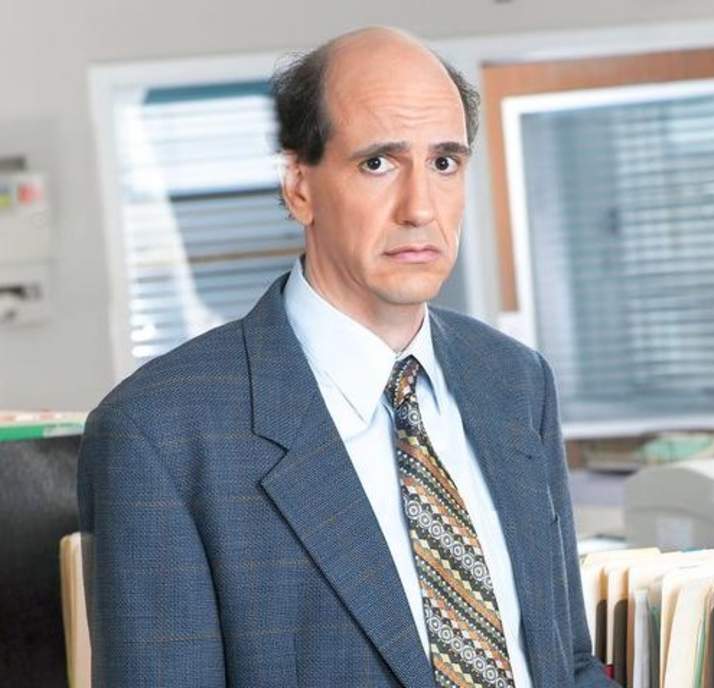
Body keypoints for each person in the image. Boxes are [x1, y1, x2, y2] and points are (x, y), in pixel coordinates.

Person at [77, 26, 616, 687]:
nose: (420, 209)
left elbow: (568, 663)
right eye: (378, 163)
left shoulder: (515, 381)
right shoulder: (158, 433)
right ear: (298, 186)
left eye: (444, 163)